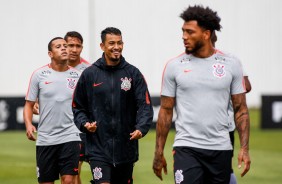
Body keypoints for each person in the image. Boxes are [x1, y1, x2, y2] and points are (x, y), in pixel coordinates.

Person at [152, 5, 251, 184]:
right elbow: (165, 111)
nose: (184, 36)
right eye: (183, 31)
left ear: (206, 34)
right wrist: (158, 152)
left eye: (190, 32)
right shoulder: (174, 65)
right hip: (186, 147)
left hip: (221, 147)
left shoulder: (231, 63)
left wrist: (244, 148)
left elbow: (241, 109)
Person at [72, 27, 154, 184]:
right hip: (98, 148)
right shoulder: (90, 74)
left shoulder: (133, 73)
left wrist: (141, 128)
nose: (116, 47)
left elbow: (145, 105)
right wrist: (85, 124)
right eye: (111, 43)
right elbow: (78, 106)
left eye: (119, 43)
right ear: (102, 46)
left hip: (126, 148)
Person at [23, 37, 81, 184]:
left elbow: (85, 104)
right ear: (50, 53)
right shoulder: (39, 75)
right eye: (58, 46)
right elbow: (29, 105)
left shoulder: (78, 76)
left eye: (65, 46)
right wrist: (29, 124)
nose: (64, 48)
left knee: (68, 180)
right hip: (46, 138)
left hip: (70, 135)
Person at [211, 32, 252, 184]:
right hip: (220, 126)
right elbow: (247, 85)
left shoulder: (229, 61)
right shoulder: (230, 59)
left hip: (224, 125)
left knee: (223, 171)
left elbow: (246, 86)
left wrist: (226, 87)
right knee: (223, 170)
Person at [64, 31, 92, 184]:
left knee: (74, 172)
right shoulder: (54, 69)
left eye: (78, 46)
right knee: (69, 175)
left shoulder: (89, 70)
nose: (74, 50)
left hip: (80, 127)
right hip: (60, 128)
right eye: (70, 45)